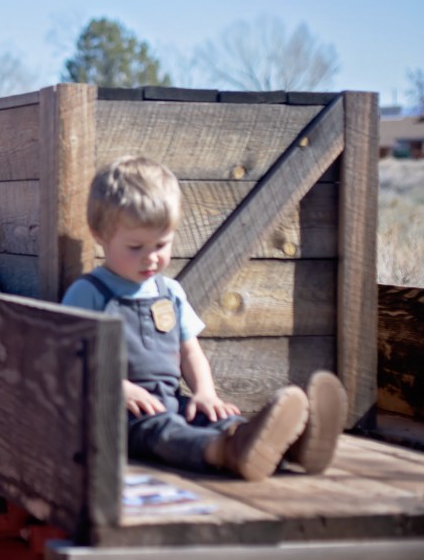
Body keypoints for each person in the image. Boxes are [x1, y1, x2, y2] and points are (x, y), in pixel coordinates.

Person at [62, 156, 348, 481]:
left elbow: (189, 351)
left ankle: (294, 446)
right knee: (163, 431)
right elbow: (69, 360)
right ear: (99, 234)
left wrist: (205, 393)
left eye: (161, 243)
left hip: (170, 400)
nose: (151, 256)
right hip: (116, 415)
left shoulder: (169, 291)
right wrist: (116, 388)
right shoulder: (90, 292)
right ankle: (227, 452)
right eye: (136, 246)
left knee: (209, 417)